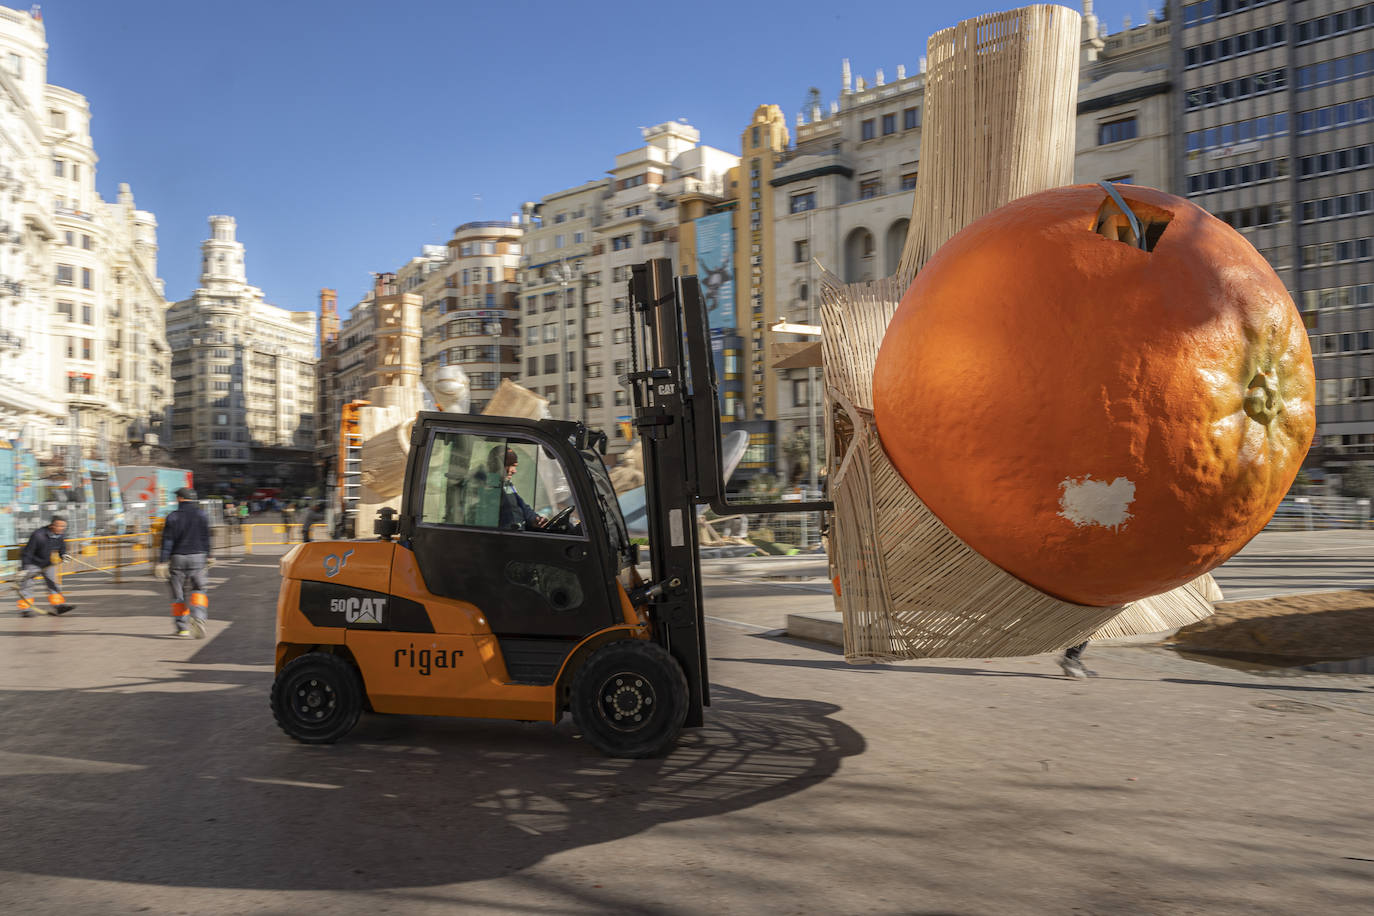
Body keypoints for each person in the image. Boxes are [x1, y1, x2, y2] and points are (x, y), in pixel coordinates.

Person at [155, 487, 214, 638]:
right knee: (199, 589)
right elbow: (206, 537)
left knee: (178, 594)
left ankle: (182, 627)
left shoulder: (173, 517)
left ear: (180, 499)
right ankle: (199, 617)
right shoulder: (202, 515)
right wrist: (209, 556)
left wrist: (162, 561)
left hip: (178, 558)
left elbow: (167, 541)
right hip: (198, 557)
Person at [15, 516, 74, 617]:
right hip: (32, 563)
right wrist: (24, 569)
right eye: (60, 526)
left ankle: (59, 606)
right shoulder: (38, 535)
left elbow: (62, 547)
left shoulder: (59, 535)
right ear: (52, 526)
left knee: (53, 583)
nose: (62, 528)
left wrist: (63, 555)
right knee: (27, 585)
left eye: (64, 526)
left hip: (46, 563)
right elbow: (28, 553)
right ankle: (25, 610)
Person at [496, 448, 547, 531]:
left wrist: (535, 518)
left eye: (515, 466)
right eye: (510, 465)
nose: (514, 471)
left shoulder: (507, 485)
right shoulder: (488, 489)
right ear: (497, 464)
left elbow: (521, 504)